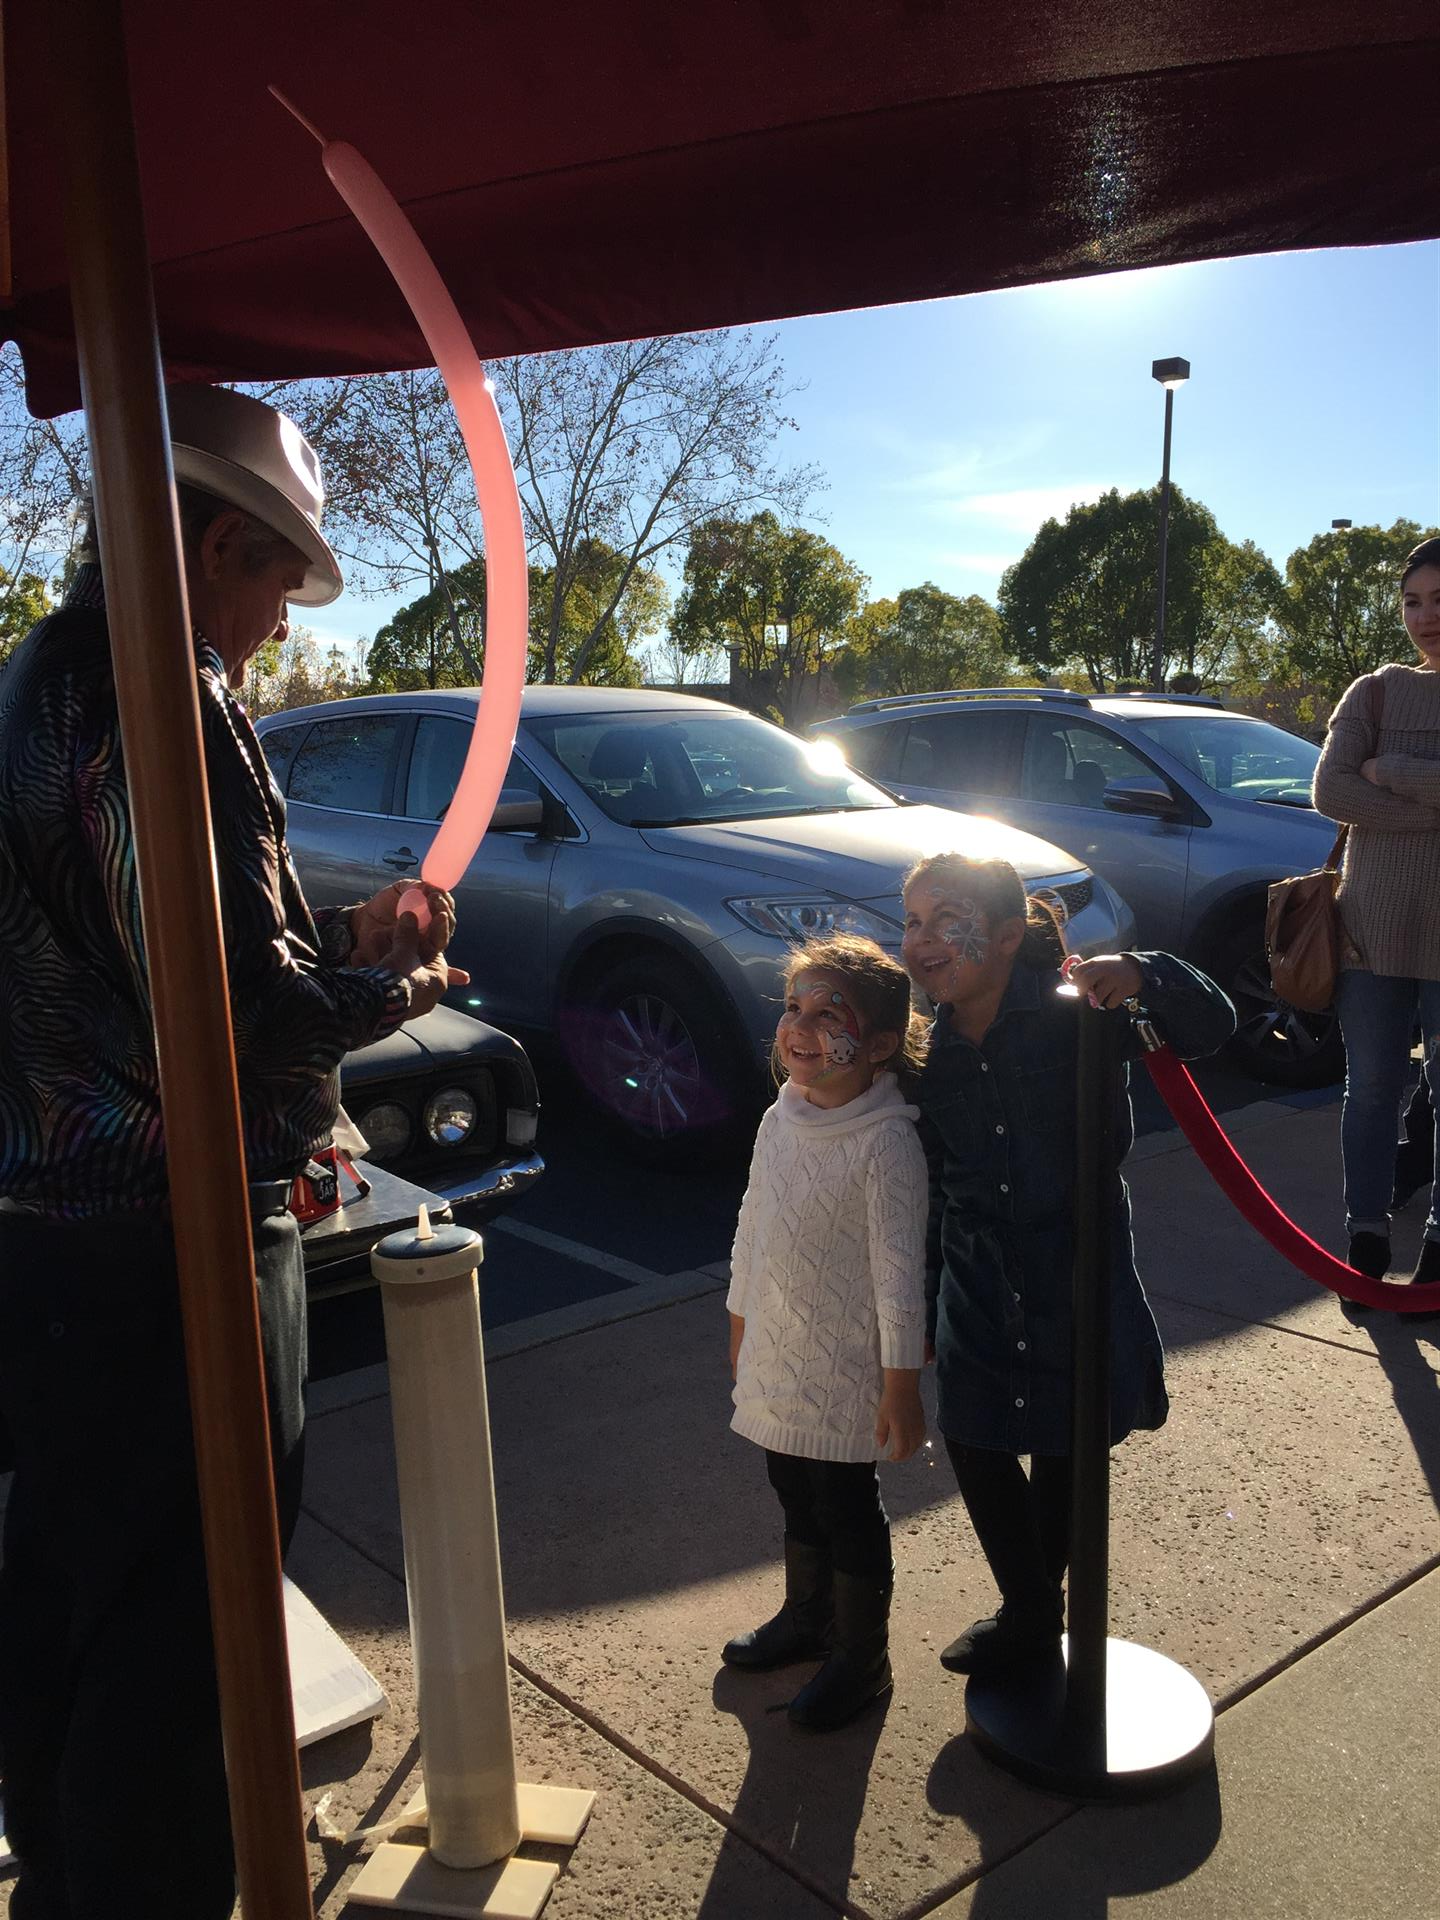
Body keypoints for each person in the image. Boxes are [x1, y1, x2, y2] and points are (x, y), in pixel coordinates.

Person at [0, 385, 468, 1920]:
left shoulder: (41, 679)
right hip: (173, 1230)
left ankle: (72, 1879)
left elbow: (148, 947)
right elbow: (238, 1010)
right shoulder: (156, 689)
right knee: (185, 1627)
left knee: (70, 1603)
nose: (276, 627)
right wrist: (399, 980)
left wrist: (337, 937)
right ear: (214, 544)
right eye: (278, 582)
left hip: (56, 1223)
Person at [901, 853, 1234, 1677]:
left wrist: (1147, 973)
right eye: (910, 921)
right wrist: (927, 1294)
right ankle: (1029, 1604)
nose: (920, 940)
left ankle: (1032, 1613)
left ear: (1009, 935)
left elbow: (1212, 1026)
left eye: (945, 920)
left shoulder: (1077, 1010)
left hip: (1072, 1268)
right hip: (977, 1275)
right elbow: (938, 1182)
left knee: (1066, 1443)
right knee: (975, 1437)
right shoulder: (927, 1053)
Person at [722, 935, 929, 1731]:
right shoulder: (783, 1116)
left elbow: (899, 1273)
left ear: (878, 1045)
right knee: (789, 1487)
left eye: (826, 1014)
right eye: (793, 1008)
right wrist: (740, 1320)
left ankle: (862, 1658)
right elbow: (751, 1224)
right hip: (780, 1346)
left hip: (847, 1366)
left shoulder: (886, 1143)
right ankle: (808, 1617)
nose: (801, 1027)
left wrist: (901, 1385)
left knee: (845, 1504)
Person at [1312, 534, 1440, 1293]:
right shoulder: (1375, 692)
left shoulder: (1387, 728)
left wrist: (1394, 772)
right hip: (1371, 935)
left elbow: (1367, 788)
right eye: (1413, 602)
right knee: (1371, 1092)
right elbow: (1332, 793)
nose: (1425, 618)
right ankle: (1365, 1232)